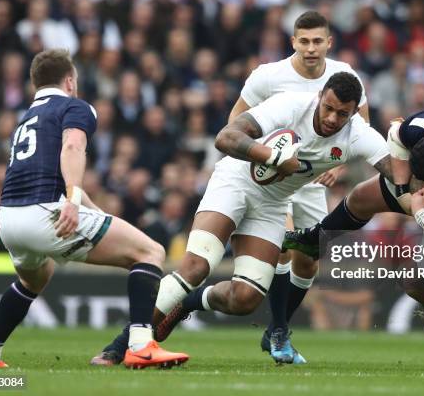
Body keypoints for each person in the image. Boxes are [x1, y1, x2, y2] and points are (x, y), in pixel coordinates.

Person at [94, 10, 373, 366]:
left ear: (329, 42)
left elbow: (360, 130)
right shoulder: (269, 76)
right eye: (304, 41)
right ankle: (128, 344)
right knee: (275, 251)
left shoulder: (346, 79)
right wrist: (268, 160)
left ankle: (274, 327)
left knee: (307, 263)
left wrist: (339, 164)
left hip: (311, 178)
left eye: (318, 41)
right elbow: (233, 123)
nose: (311, 48)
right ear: (293, 42)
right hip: (264, 177)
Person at [0, 49, 188, 369]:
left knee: (35, 278)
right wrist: (72, 201)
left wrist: (91, 209)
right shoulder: (75, 106)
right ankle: (141, 345)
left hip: (9, 219)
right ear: (70, 80)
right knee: (150, 252)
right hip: (47, 213)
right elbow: (73, 147)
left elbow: (43, 171)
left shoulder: (25, 118)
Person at [153, 72, 391, 364]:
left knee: (245, 299)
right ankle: (127, 343)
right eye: (328, 108)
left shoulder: (358, 134)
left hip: (273, 201)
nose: (331, 118)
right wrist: (273, 156)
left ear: (354, 113)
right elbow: (225, 137)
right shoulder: (289, 101)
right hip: (236, 180)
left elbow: (398, 173)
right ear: (319, 97)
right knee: (197, 265)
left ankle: (192, 302)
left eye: (342, 113)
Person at [284, 109, 424, 354]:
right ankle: (314, 241)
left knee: (412, 282)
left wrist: (420, 212)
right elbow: (396, 136)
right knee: (360, 198)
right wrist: (404, 190)